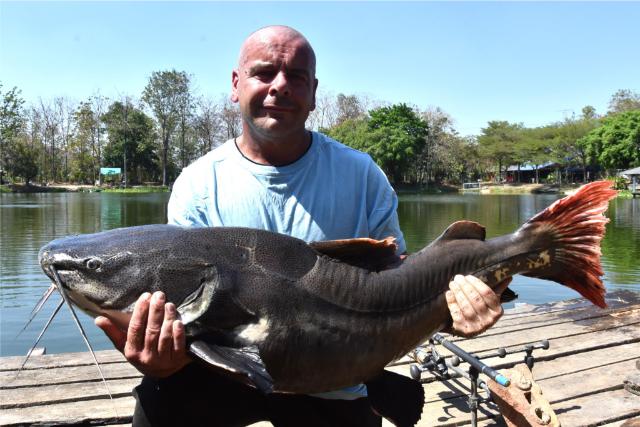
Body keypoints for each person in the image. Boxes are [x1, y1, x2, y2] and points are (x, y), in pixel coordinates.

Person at [95, 25, 508, 426]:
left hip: (335, 377)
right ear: (236, 85)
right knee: (158, 405)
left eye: (295, 76)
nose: (279, 86)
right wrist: (160, 360)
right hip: (222, 372)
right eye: (264, 73)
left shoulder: (360, 174)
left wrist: (452, 312)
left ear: (312, 93)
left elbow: (398, 282)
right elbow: (179, 306)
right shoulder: (198, 183)